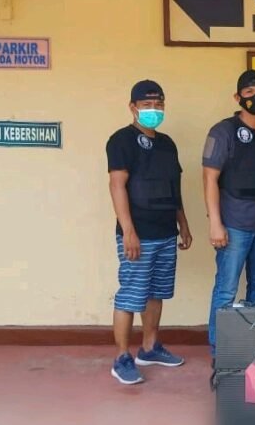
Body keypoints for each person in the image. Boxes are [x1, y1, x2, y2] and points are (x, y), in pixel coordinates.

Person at [106, 79, 193, 385]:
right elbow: (117, 186)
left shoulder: (167, 143)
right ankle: (122, 358)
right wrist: (128, 231)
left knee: (157, 292)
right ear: (133, 107)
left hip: (166, 231)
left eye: (158, 104)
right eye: (146, 105)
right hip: (138, 234)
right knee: (132, 294)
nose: (153, 110)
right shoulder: (121, 141)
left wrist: (183, 223)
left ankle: (149, 347)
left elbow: (174, 188)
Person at [202, 70, 255, 356]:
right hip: (233, 224)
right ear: (238, 97)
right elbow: (209, 178)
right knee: (226, 289)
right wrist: (215, 223)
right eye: (249, 93)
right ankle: (220, 350)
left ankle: (253, 347)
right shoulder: (222, 131)